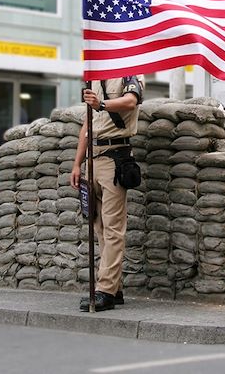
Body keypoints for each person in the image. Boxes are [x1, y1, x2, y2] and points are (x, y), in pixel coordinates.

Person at [71, 75, 144, 312]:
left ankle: (105, 290)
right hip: (93, 158)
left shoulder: (130, 74)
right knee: (99, 227)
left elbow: (131, 101)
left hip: (116, 156)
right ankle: (115, 287)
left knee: (113, 227)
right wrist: (77, 164)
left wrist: (101, 104)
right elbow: (87, 125)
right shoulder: (94, 80)